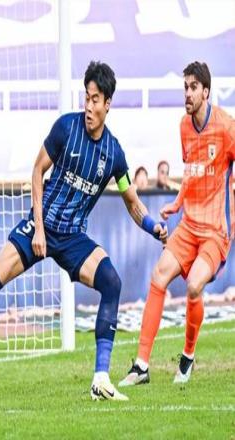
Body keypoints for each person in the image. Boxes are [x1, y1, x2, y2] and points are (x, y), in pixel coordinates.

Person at [0, 61, 167, 401]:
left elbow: (132, 201)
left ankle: (100, 379)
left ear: (108, 104)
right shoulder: (66, 128)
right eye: (86, 98)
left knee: (111, 282)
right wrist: (38, 229)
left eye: (95, 100)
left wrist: (153, 226)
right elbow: (37, 171)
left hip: (72, 239)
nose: (89, 106)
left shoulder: (114, 154)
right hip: (42, 225)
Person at [119, 61, 235, 387]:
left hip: (215, 231)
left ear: (206, 92)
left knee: (195, 285)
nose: (187, 93)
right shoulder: (184, 126)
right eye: (185, 87)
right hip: (188, 224)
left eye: (193, 87)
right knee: (158, 277)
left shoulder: (226, 127)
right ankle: (141, 366)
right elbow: (190, 172)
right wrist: (178, 202)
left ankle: (187, 357)